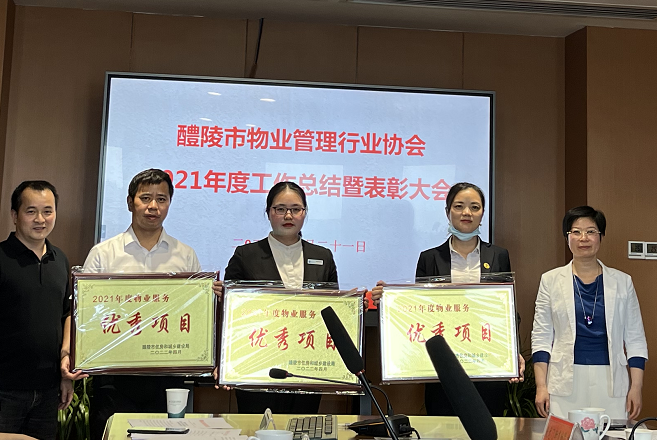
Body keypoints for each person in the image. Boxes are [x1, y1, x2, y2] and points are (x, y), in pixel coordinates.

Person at [83, 169, 221, 440]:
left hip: (167, 376)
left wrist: (210, 297)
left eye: (162, 199)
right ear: (130, 202)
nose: (153, 206)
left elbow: (196, 316)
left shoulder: (185, 255)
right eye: (145, 198)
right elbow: (86, 314)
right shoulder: (103, 254)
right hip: (114, 375)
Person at [371, 181, 524, 416]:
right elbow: (418, 309)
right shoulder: (429, 258)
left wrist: (513, 351)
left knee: (487, 423)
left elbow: (507, 309)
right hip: (443, 363)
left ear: (482, 213)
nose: (466, 212)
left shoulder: (498, 255)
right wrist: (390, 299)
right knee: (442, 425)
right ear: (447, 211)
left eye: (474, 207)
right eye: (459, 206)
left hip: (487, 359)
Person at [223, 181, 337, 414]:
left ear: (305, 212)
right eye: (280, 209)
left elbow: (334, 310)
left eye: (296, 209)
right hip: (257, 361)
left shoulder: (323, 256)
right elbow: (229, 314)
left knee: (302, 426)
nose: (288, 216)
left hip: (307, 363)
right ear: (268, 212)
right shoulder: (246, 255)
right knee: (257, 427)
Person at [532, 206, 647, 420]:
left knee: (612, 433)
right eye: (576, 232)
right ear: (567, 237)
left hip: (611, 382)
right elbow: (541, 337)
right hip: (565, 380)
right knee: (567, 433)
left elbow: (635, 338)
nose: (583, 238)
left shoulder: (623, 282)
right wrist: (541, 386)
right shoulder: (550, 280)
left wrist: (636, 387)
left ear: (601, 236)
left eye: (591, 231)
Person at [0, 181, 83, 440]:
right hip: (5, 390)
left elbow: (67, 313)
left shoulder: (60, 259)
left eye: (48, 211)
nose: (40, 219)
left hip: (48, 391)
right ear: (15, 215)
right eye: (31, 211)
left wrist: (65, 366)